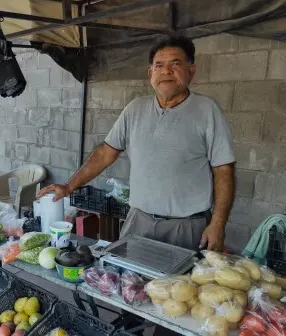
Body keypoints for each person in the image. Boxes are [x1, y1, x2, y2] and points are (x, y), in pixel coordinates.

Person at [38, 34, 235, 253]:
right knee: (131, 285)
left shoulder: (207, 111)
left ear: (191, 70)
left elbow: (223, 171)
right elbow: (105, 153)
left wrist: (218, 224)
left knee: (182, 286)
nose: (166, 71)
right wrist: (68, 186)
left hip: (187, 227)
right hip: (139, 222)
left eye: (175, 64)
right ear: (151, 74)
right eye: (159, 65)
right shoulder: (135, 109)